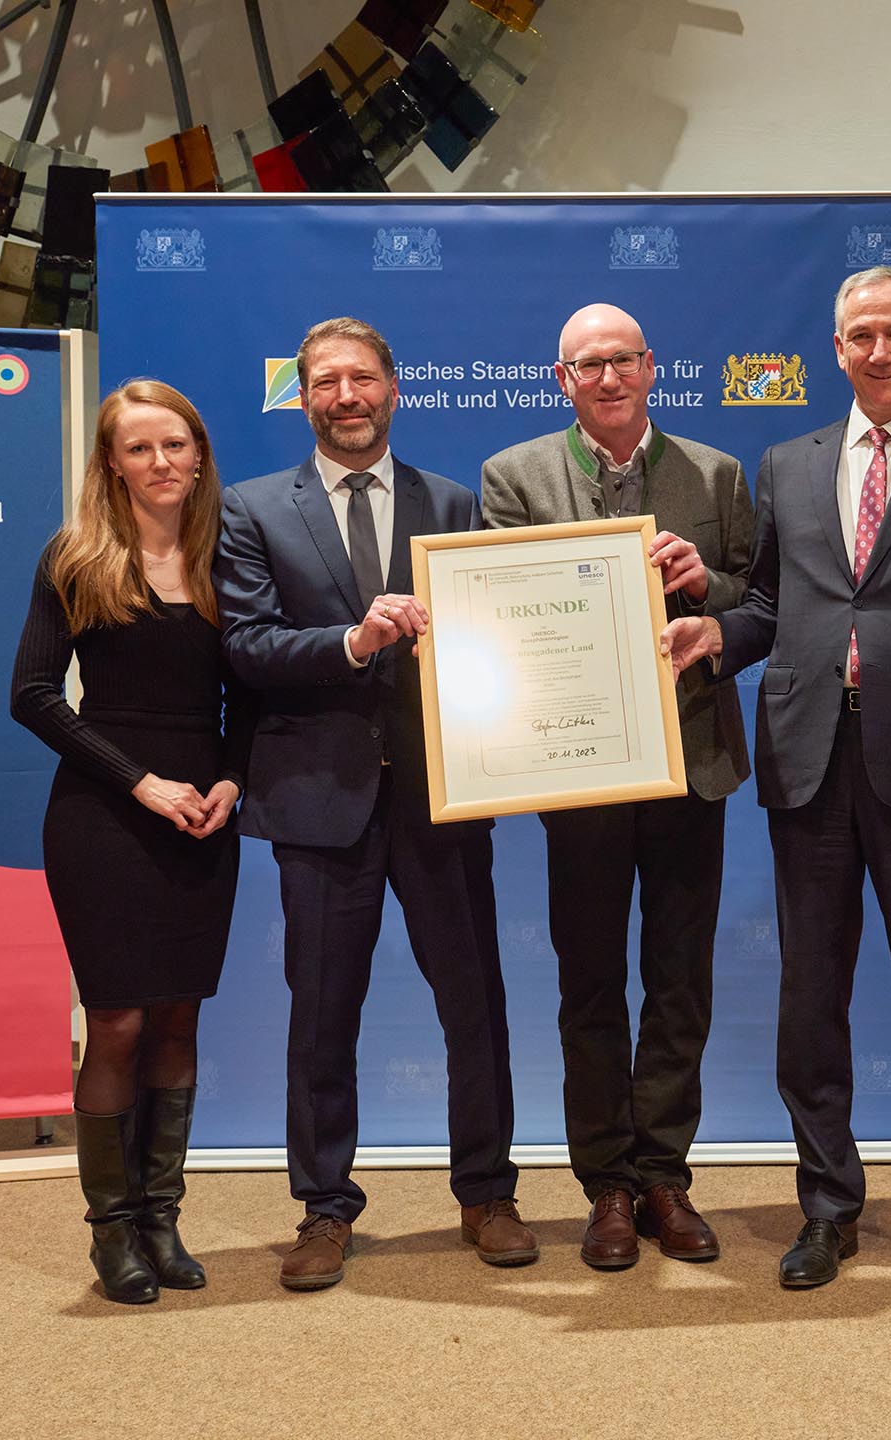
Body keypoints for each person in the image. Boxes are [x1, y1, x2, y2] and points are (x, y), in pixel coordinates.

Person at [661, 266, 891, 1291]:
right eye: (860, 335)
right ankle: (827, 1207)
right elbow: (777, 603)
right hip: (808, 765)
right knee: (808, 997)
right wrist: (715, 636)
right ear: (836, 350)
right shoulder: (786, 463)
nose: (879, 351)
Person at [214, 316, 535, 1290]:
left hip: (443, 798)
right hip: (318, 803)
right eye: (325, 383)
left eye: (362, 379)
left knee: (474, 1004)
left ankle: (487, 1193)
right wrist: (353, 643)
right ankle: (324, 1210)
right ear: (301, 397)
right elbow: (248, 649)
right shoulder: (252, 510)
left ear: (396, 388)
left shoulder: (455, 503)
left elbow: (497, 647)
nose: (345, 397)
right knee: (322, 1013)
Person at [480, 303, 753, 1269]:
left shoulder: (717, 475)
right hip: (580, 769)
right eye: (587, 365)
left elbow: (760, 606)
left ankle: (665, 1177)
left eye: (623, 361)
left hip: (690, 762)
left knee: (681, 981)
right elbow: (502, 619)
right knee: (590, 983)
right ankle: (605, 1185)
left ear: (652, 368)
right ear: (562, 381)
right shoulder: (512, 477)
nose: (607, 378)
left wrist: (702, 590)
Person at [11, 380, 253, 1305]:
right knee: (116, 1019)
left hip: (205, 817)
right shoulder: (75, 557)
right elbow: (32, 695)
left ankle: (161, 1216)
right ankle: (111, 1235)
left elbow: (252, 696)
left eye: (176, 445)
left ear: (199, 456)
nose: (161, 463)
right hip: (105, 817)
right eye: (140, 448)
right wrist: (142, 783)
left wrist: (232, 781)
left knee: (181, 1018)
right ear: (110, 462)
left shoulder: (231, 557)